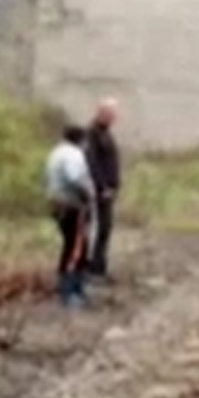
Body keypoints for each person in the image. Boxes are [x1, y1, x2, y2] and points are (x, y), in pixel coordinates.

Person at [45, 125, 96, 307]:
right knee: (77, 247)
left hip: (57, 205)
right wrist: (89, 193)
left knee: (70, 244)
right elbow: (74, 177)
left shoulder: (56, 152)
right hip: (72, 206)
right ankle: (70, 292)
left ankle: (71, 287)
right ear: (81, 140)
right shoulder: (74, 154)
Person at [82, 98, 123, 283]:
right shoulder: (92, 134)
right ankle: (92, 267)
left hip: (108, 191)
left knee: (105, 228)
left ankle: (99, 265)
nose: (115, 117)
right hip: (99, 191)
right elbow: (92, 163)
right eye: (112, 113)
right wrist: (103, 186)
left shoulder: (105, 133)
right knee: (97, 227)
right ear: (102, 113)